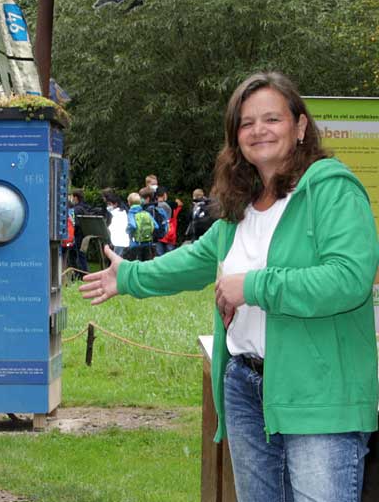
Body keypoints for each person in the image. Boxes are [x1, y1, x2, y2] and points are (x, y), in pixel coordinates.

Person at [79, 71, 378, 502]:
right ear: (235, 136)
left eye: (272, 119)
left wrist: (252, 287)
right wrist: (129, 276)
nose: (258, 130)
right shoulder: (244, 205)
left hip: (319, 399)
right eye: (246, 122)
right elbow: (197, 260)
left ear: (300, 126)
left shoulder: (332, 190)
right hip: (246, 387)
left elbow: (349, 279)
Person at [124, 190, 156, 261]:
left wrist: (127, 231)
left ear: (129, 203)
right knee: (146, 265)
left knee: (135, 265)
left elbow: (133, 226)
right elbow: (156, 226)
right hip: (148, 243)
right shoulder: (146, 212)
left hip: (136, 244)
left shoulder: (131, 214)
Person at [154, 186, 179, 256]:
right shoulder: (170, 205)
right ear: (165, 195)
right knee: (170, 254)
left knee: (159, 255)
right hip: (169, 233)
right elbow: (178, 204)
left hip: (158, 234)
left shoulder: (153, 205)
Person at [104, 191, 129, 256]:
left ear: (115, 204)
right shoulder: (123, 212)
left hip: (119, 242)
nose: (108, 206)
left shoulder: (116, 214)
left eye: (109, 204)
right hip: (121, 242)